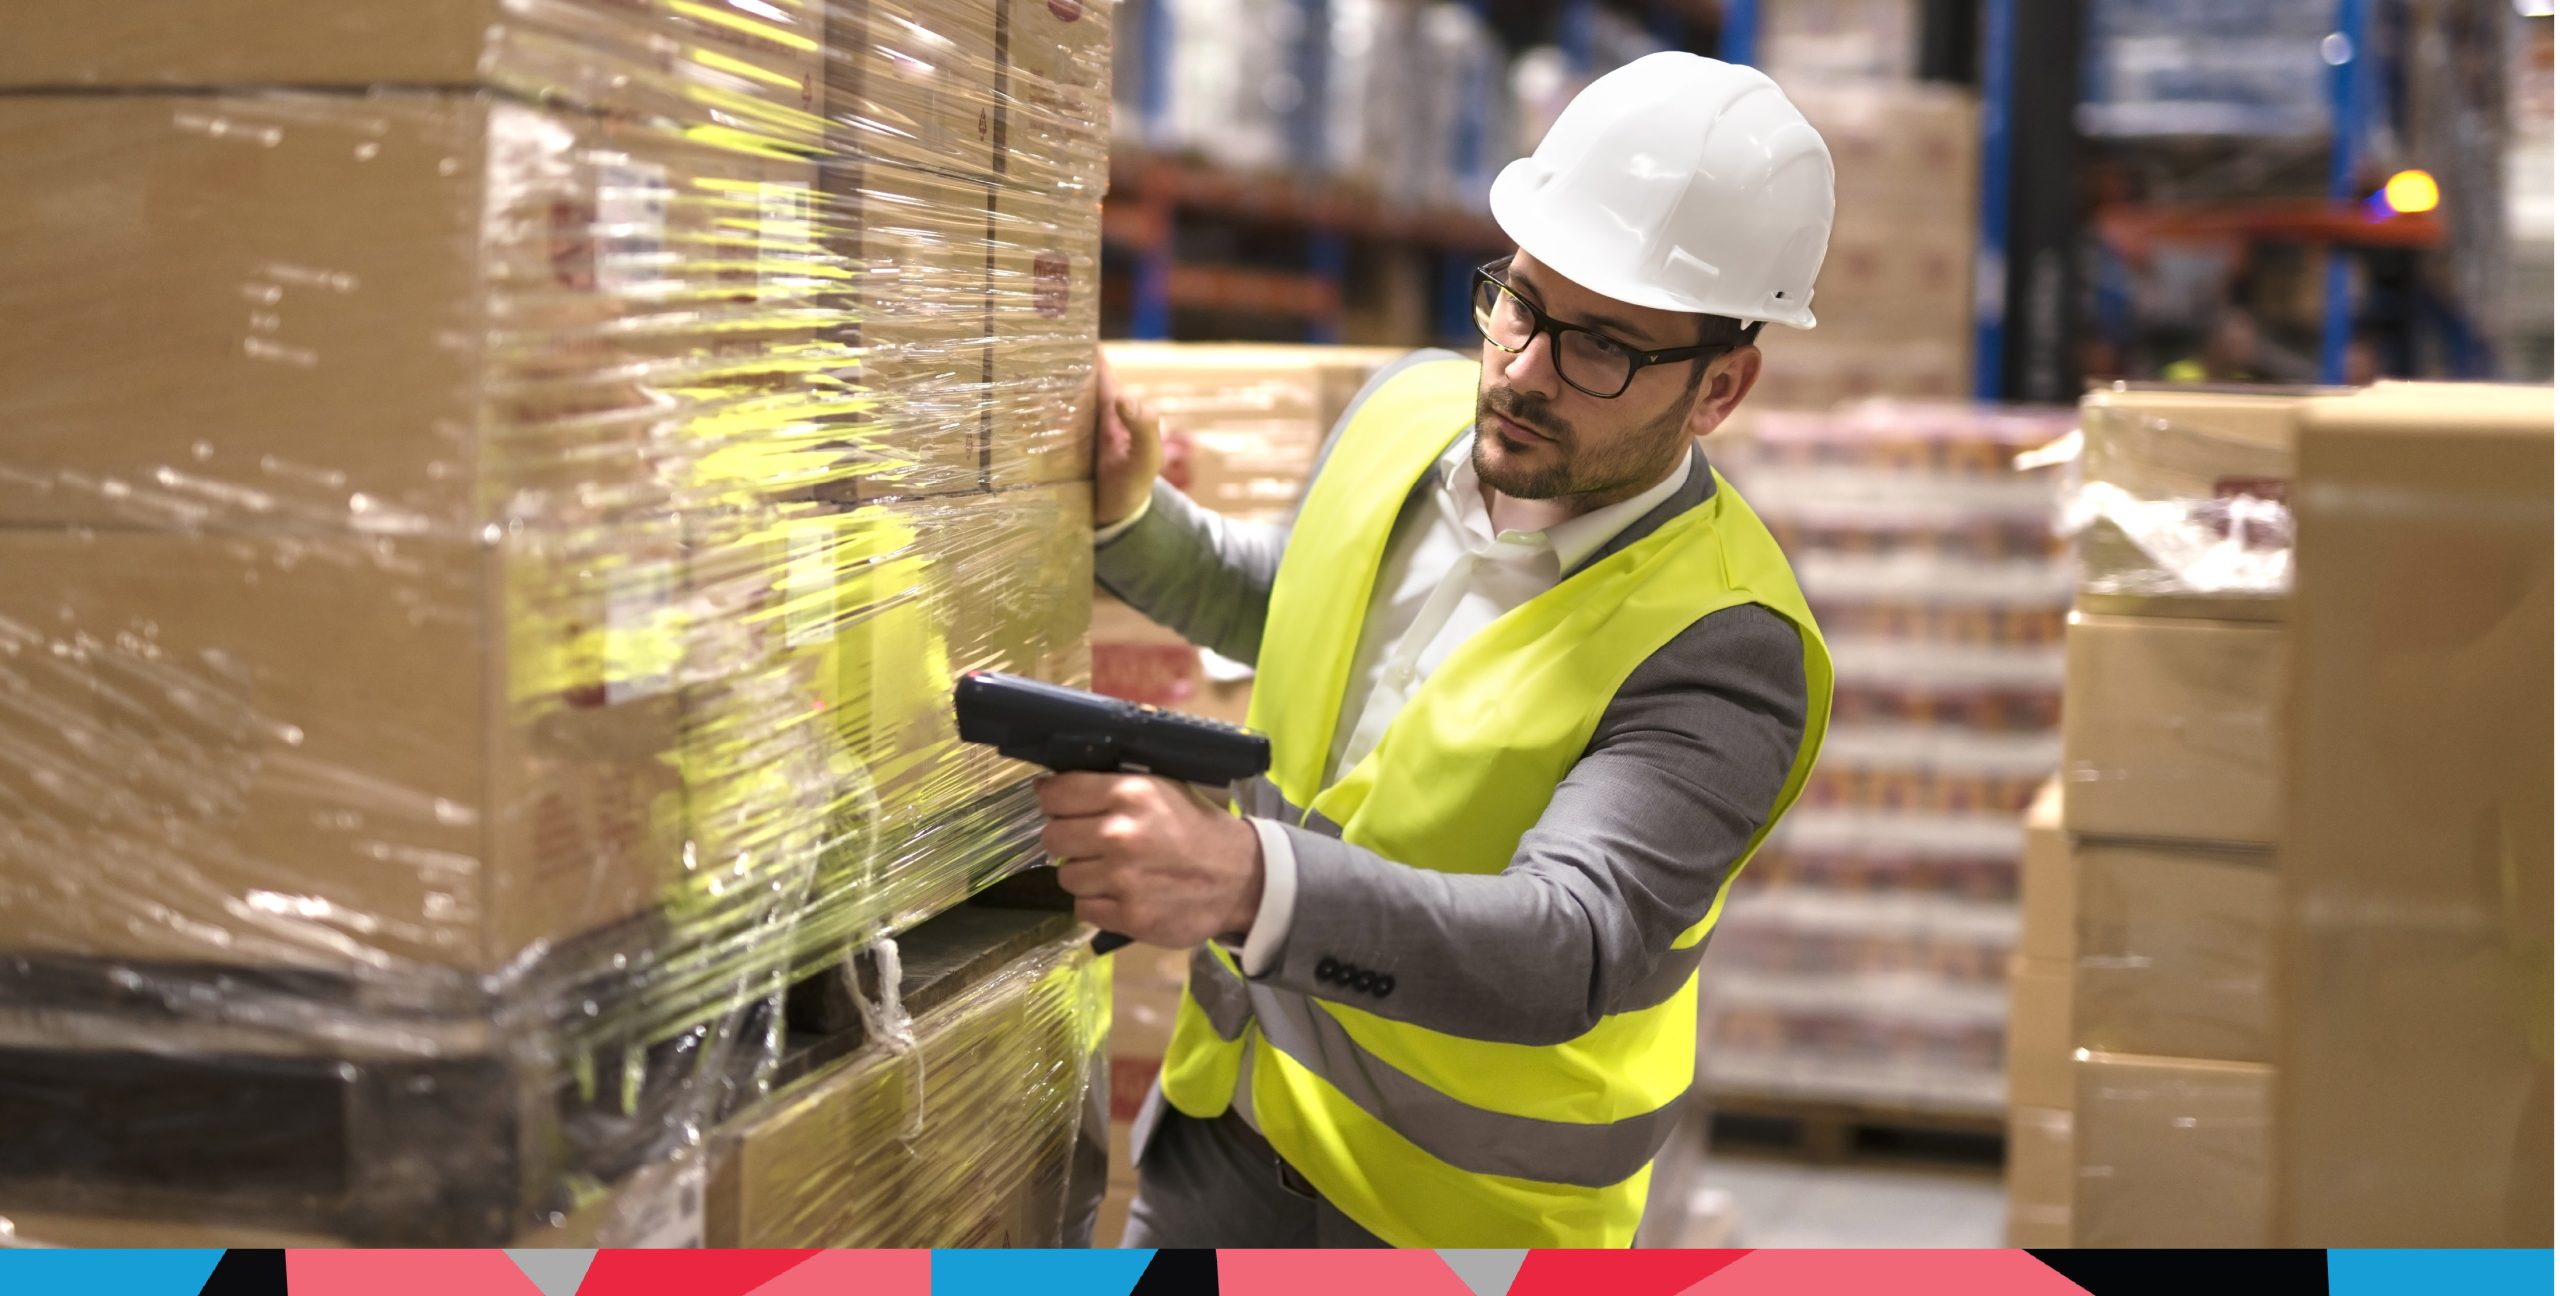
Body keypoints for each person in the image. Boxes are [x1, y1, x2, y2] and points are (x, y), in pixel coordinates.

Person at [1042, 53, 1837, 1248]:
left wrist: (1241, 879)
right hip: (1226, 1128)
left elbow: (1566, 943)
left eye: (1602, 347)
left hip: (1459, 1223)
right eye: (1520, 302)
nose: (1521, 370)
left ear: (1721, 386)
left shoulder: (1727, 644)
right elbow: (1303, 607)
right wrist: (1129, 520)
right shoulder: (1405, 412)